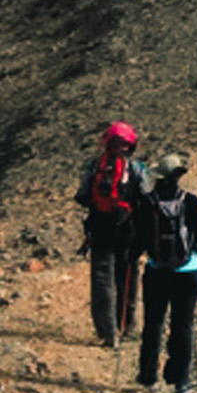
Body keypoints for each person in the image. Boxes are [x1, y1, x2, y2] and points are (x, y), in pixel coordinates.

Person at [133, 152, 197, 393]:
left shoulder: (147, 203)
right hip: (189, 272)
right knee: (183, 325)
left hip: (157, 271)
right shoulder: (192, 201)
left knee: (153, 324)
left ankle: (148, 379)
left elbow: (139, 240)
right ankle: (181, 382)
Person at [75, 123, 149, 346]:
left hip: (100, 226)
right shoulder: (137, 169)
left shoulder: (96, 166)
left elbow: (82, 195)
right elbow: (147, 198)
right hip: (128, 229)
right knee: (127, 274)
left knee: (102, 277)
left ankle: (107, 332)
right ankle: (127, 326)